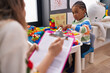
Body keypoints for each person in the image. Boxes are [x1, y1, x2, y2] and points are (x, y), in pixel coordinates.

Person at [0, 0, 64, 73]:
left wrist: (26, 56)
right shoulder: (13, 29)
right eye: (24, 7)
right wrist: (51, 54)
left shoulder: (4, 27)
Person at [62, 1, 91, 73]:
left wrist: (71, 26)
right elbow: (73, 30)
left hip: (84, 44)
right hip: (76, 41)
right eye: (73, 13)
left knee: (75, 52)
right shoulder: (75, 21)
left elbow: (83, 30)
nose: (74, 15)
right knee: (64, 48)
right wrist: (66, 29)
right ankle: (65, 64)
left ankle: (73, 66)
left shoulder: (86, 21)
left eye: (76, 12)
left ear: (84, 11)